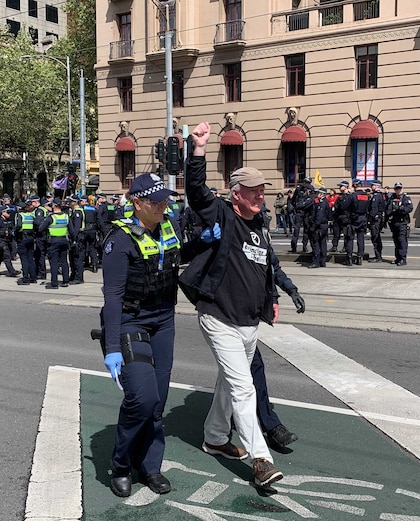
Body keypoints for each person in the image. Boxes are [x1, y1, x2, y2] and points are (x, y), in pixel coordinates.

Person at [179, 121, 285, 489]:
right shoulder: (221, 214)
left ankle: (214, 437)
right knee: (244, 388)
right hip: (218, 316)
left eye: (262, 192)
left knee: (229, 381)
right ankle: (261, 460)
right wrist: (199, 150)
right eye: (253, 192)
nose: (260, 197)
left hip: (248, 321)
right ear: (236, 193)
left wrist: (271, 298)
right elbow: (195, 190)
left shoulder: (259, 226)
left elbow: (265, 265)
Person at [100, 173, 185, 498]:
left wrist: (205, 239)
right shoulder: (120, 240)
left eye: (166, 199)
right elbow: (113, 297)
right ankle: (121, 465)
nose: (164, 205)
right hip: (131, 323)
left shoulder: (169, 225)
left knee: (158, 402)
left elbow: (175, 257)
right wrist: (112, 347)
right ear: (137, 203)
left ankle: (150, 466)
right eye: (156, 201)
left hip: (163, 320)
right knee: (142, 397)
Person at [252, 250, 305, 449]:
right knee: (254, 367)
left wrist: (289, 291)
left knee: (233, 379)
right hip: (226, 315)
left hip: (248, 315)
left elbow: (271, 267)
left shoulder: (260, 229)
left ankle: (217, 430)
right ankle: (271, 426)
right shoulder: (230, 224)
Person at [39, 198, 70, 289]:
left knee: (54, 262)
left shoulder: (51, 217)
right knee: (64, 261)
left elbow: (41, 228)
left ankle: (54, 283)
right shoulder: (66, 216)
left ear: (54, 206)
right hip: (64, 240)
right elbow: (72, 230)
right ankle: (65, 281)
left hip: (53, 241)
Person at [302, 188, 332, 268]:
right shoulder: (326, 202)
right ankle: (322, 261)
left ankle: (316, 261)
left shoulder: (322, 203)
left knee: (315, 243)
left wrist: (314, 226)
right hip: (324, 225)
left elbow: (319, 216)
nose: (316, 194)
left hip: (319, 226)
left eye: (318, 193)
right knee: (323, 243)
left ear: (322, 194)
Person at [15, 196, 40, 285]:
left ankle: (25, 278)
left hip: (22, 238)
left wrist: (14, 232)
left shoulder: (20, 215)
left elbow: (18, 226)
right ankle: (33, 278)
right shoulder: (30, 215)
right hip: (30, 237)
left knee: (24, 259)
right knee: (30, 258)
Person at [387, 182, 413, 266]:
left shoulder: (405, 198)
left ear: (402, 189)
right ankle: (398, 257)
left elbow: (409, 208)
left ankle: (403, 258)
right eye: (397, 189)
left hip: (402, 222)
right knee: (396, 241)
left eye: (399, 188)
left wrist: (400, 209)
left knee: (402, 241)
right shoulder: (392, 197)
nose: (398, 190)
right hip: (394, 222)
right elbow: (388, 208)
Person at [0, 206, 19, 278]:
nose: (9, 214)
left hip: (8, 240)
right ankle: (11, 271)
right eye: (7, 212)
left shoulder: (7, 220)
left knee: (0, 256)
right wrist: (0, 242)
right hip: (2, 241)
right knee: (7, 256)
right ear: (3, 212)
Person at [367, 180, 386, 262]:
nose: (371, 187)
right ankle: (378, 256)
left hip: (376, 220)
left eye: (373, 185)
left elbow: (374, 209)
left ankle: (378, 256)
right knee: (375, 237)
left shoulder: (376, 196)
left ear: (377, 186)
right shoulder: (380, 195)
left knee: (375, 238)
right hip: (378, 219)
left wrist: (370, 219)